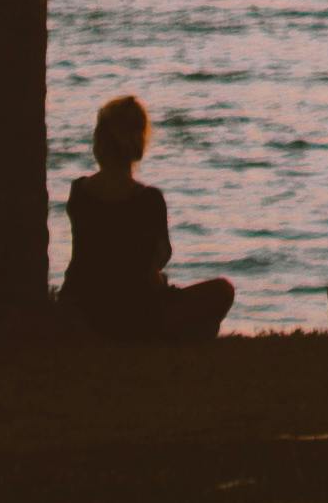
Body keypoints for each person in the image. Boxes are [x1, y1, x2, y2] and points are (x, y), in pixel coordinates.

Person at [58, 98, 233, 344]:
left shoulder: (79, 192)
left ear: (99, 142)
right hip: (139, 314)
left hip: (84, 312)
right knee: (222, 291)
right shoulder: (149, 200)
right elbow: (159, 259)